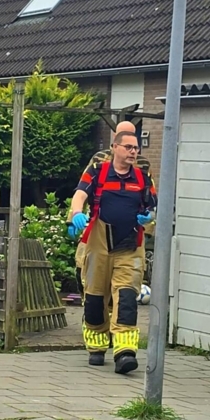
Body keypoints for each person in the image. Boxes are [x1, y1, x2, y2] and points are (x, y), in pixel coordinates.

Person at [68, 129, 157, 373]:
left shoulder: (143, 176)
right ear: (115, 148)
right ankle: (97, 346)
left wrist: (148, 217)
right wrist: (76, 213)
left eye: (136, 148)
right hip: (98, 242)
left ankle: (124, 352)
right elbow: (80, 194)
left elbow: (153, 207)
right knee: (95, 297)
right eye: (128, 147)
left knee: (127, 296)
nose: (133, 152)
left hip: (130, 244)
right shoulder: (97, 171)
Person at [74, 120, 153, 297]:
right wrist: (74, 217)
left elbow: (147, 198)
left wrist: (147, 229)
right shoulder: (98, 162)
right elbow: (82, 190)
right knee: (85, 267)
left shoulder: (143, 165)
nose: (132, 150)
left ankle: (115, 316)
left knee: (124, 285)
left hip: (130, 231)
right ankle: (91, 313)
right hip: (98, 226)